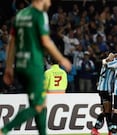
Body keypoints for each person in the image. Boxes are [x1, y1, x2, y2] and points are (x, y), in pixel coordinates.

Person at [0, 0, 72, 135]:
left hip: (20, 65)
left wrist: (9, 67)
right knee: (38, 106)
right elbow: (46, 41)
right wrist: (62, 59)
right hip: (34, 66)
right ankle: (4, 130)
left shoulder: (20, 15)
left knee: (41, 104)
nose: (50, 3)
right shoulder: (40, 15)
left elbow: (11, 42)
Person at [91, 53, 115, 135]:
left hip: (103, 89)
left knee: (106, 111)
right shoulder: (110, 65)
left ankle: (96, 129)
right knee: (107, 111)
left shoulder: (104, 63)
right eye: (111, 57)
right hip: (105, 90)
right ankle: (109, 131)